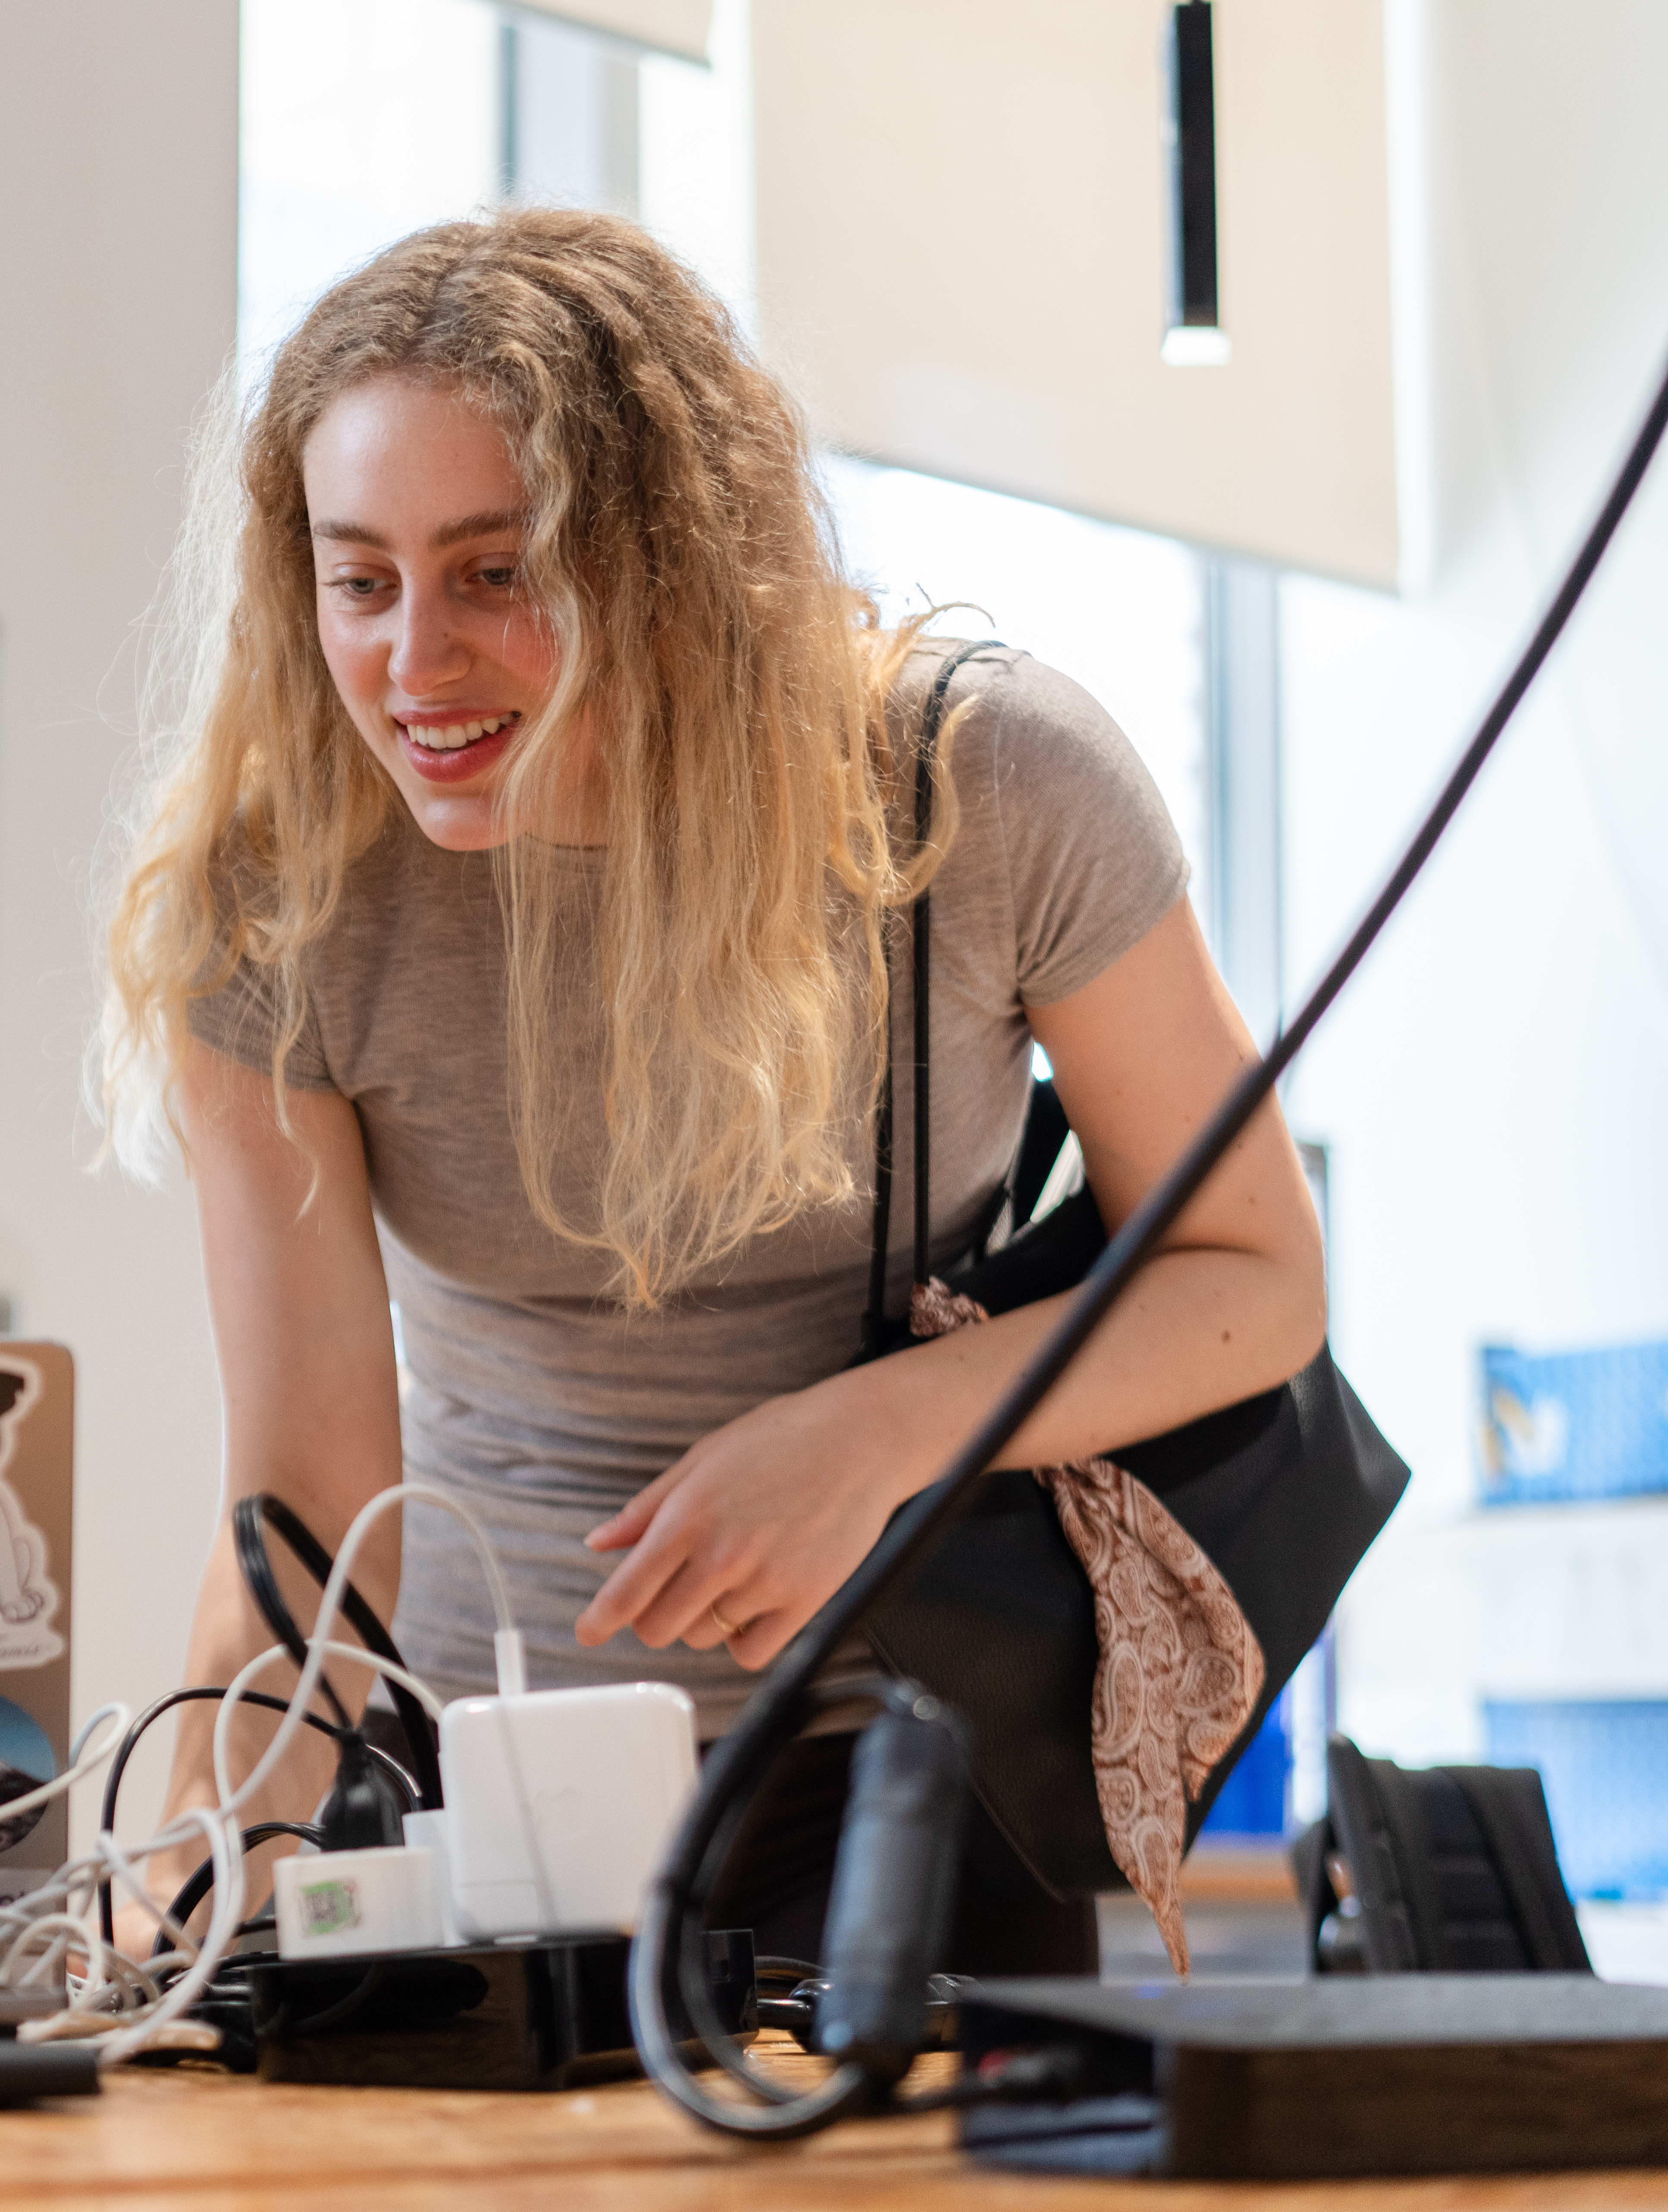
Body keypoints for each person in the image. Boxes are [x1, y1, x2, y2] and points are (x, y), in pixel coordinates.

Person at [104, 209, 1324, 1972]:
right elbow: (302, 1499)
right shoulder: (275, 904)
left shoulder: (984, 789)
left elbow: (1251, 1277)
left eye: (496, 571)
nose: (411, 665)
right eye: (356, 578)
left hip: (906, 1767)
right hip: (481, 1775)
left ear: (669, 556)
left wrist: (877, 1433)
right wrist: (201, 1879)